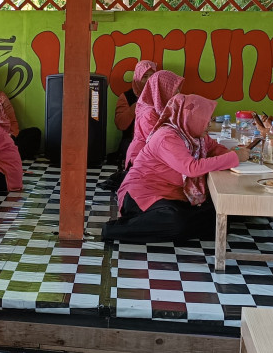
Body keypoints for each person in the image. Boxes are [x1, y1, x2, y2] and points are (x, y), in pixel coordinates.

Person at [103, 95, 249, 244]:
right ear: (191, 118)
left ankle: (185, 223)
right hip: (142, 196)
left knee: (217, 216)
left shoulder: (196, 136)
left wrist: (234, 153)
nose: (209, 125)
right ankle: (115, 229)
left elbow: (214, 148)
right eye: (206, 120)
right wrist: (234, 157)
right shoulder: (167, 137)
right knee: (175, 221)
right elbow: (191, 168)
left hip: (172, 197)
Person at [103, 60, 158, 191]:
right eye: (145, 76)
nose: (149, 80)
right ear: (137, 78)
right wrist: (134, 109)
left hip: (156, 140)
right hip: (132, 140)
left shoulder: (160, 96)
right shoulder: (127, 97)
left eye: (152, 76)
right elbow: (120, 124)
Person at [124, 70, 184, 169]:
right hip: (142, 162)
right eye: (174, 89)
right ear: (162, 90)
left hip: (151, 157)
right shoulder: (149, 113)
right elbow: (159, 143)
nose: (178, 93)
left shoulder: (159, 108)